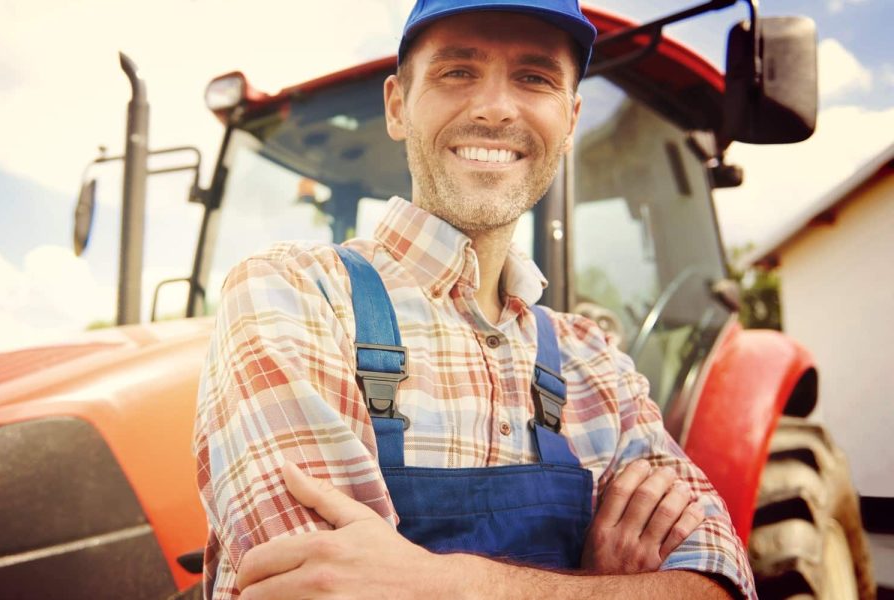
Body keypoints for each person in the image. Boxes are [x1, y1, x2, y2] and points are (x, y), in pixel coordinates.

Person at [193, 0, 755, 598]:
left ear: (570, 122)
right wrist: (601, 584)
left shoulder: (596, 361)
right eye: (457, 71)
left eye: (534, 77)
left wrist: (441, 583)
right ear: (397, 106)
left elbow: (721, 585)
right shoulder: (293, 295)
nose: (494, 108)